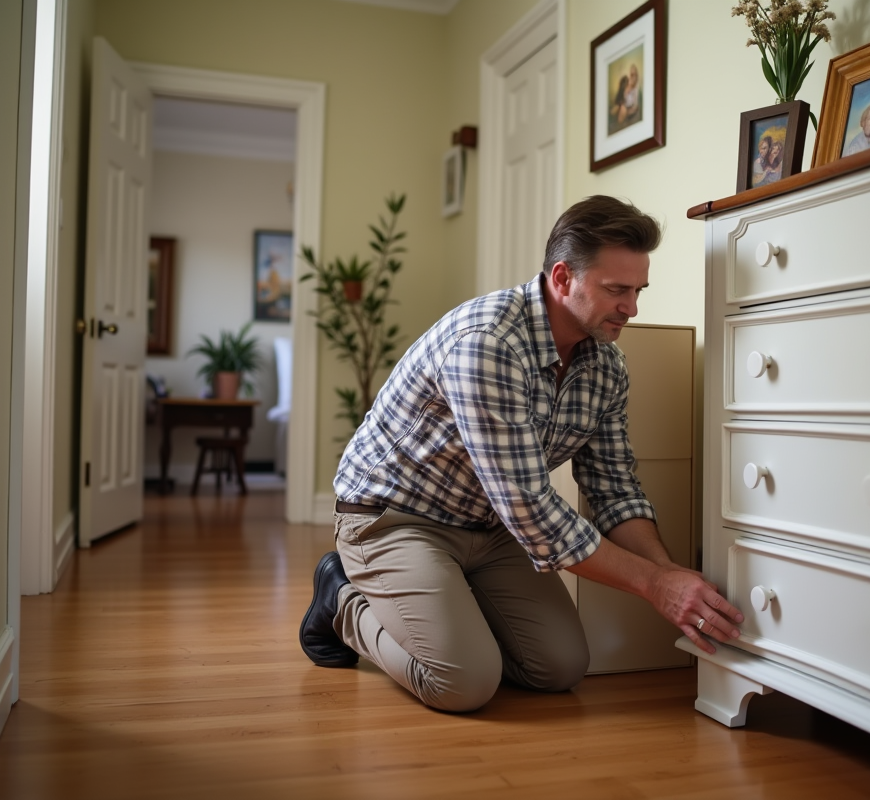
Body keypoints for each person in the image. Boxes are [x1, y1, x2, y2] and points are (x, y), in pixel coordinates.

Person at [298, 195, 745, 713]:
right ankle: (341, 598)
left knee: (559, 667)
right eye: (616, 289)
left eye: (638, 290)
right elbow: (533, 511)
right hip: (396, 517)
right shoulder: (486, 342)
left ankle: (449, 611)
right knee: (463, 683)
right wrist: (655, 586)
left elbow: (614, 488)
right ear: (562, 278)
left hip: (490, 527)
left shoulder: (607, 366)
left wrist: (668, 574)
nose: (632, 307)